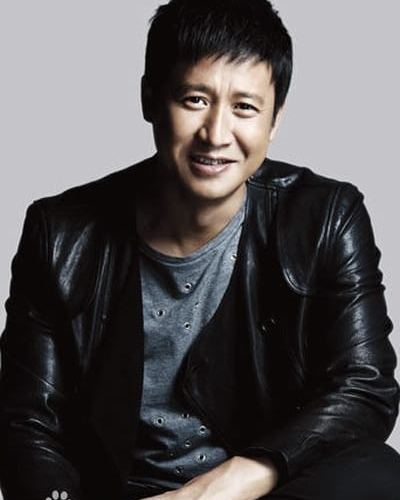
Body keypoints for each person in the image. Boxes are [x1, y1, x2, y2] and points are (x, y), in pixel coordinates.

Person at [1, 0, 400, 499]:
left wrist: (222, 486)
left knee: (378, 474)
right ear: (150, 99)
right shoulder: (60, 233)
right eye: (194, 99)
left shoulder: (325, 218)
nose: (216, 134)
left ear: (274, 119)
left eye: (245, 107)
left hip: (265, 490)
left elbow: (365, 386)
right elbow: (28, 422)